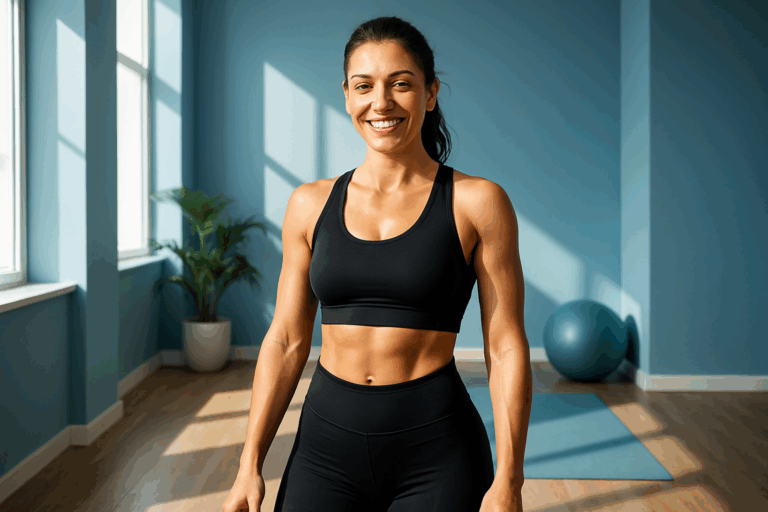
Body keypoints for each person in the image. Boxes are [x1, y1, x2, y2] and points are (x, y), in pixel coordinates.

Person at [223, 15, 529, 512]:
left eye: (401, 85)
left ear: (430, 94)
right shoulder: (309, 204)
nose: (381, 102)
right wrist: (249, 463)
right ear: (346, 95)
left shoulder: (478, 202)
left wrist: (510, 478)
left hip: (437, 449)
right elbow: (285, 339)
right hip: (326, 447)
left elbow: (506, 344)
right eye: (364, 86)